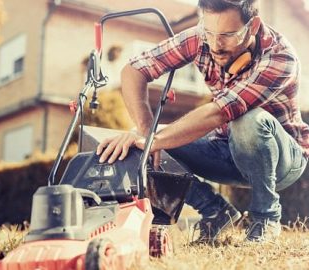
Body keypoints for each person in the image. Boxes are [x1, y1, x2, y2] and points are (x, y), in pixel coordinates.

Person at [96, 0, 309, 243]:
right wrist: (146, 135)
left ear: (253, 26)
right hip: (225, 149)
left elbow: (221, 111)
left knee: (247, 119)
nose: (216, 45)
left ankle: (266, 218)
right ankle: (216, 211)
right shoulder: (200, 37)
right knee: (141, 143)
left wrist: (153, 139)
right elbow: (133, 70)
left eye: (228, 35)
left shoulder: (280, 56)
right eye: (209, 32)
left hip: (283, 160)